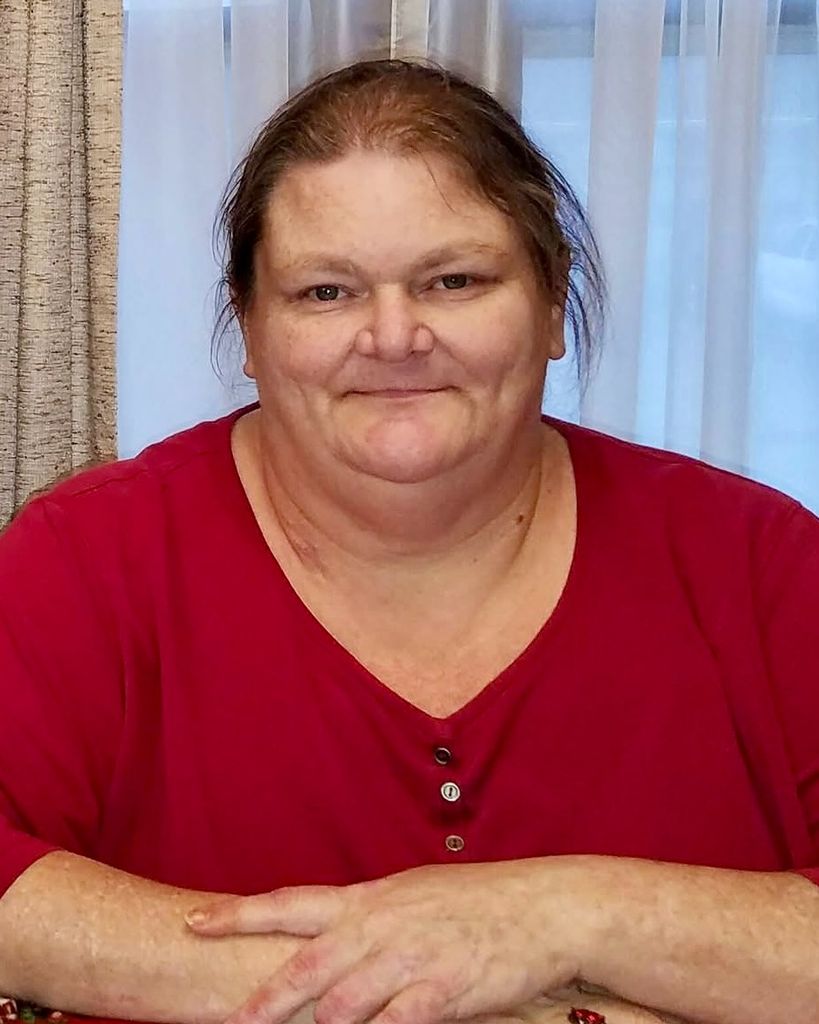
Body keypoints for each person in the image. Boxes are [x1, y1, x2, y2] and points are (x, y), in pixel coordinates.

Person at [0, 57, 818, 1024]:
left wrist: (568, 916)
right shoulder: (86, 560)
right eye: (325, 292)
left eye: (453, 280)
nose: (393, 338)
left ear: (553, 301)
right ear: (248, 326)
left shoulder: (759, 563)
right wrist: (402, 992)